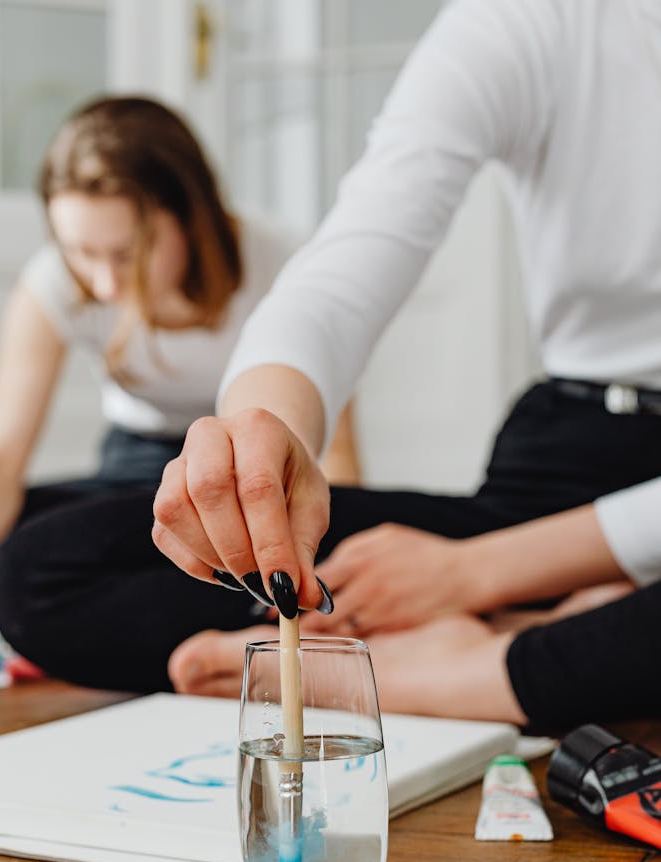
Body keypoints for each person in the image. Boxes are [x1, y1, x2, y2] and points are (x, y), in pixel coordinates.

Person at [142, 0, 661, 733]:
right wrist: (263, 431)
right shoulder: (533, 19)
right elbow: (354, 256)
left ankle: (469, 671)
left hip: (545, 549)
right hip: (571, 450)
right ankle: (575, 626)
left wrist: (469, 573)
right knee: (53, 569)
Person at [0, 94, 315, 618]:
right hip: (135, 467)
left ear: (191, 218)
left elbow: (332, 456)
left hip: (254, 472)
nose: (103, 283)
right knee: (22, 546)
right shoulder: (51, 282)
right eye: (80, 252)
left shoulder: (281, 262)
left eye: (127, 254)